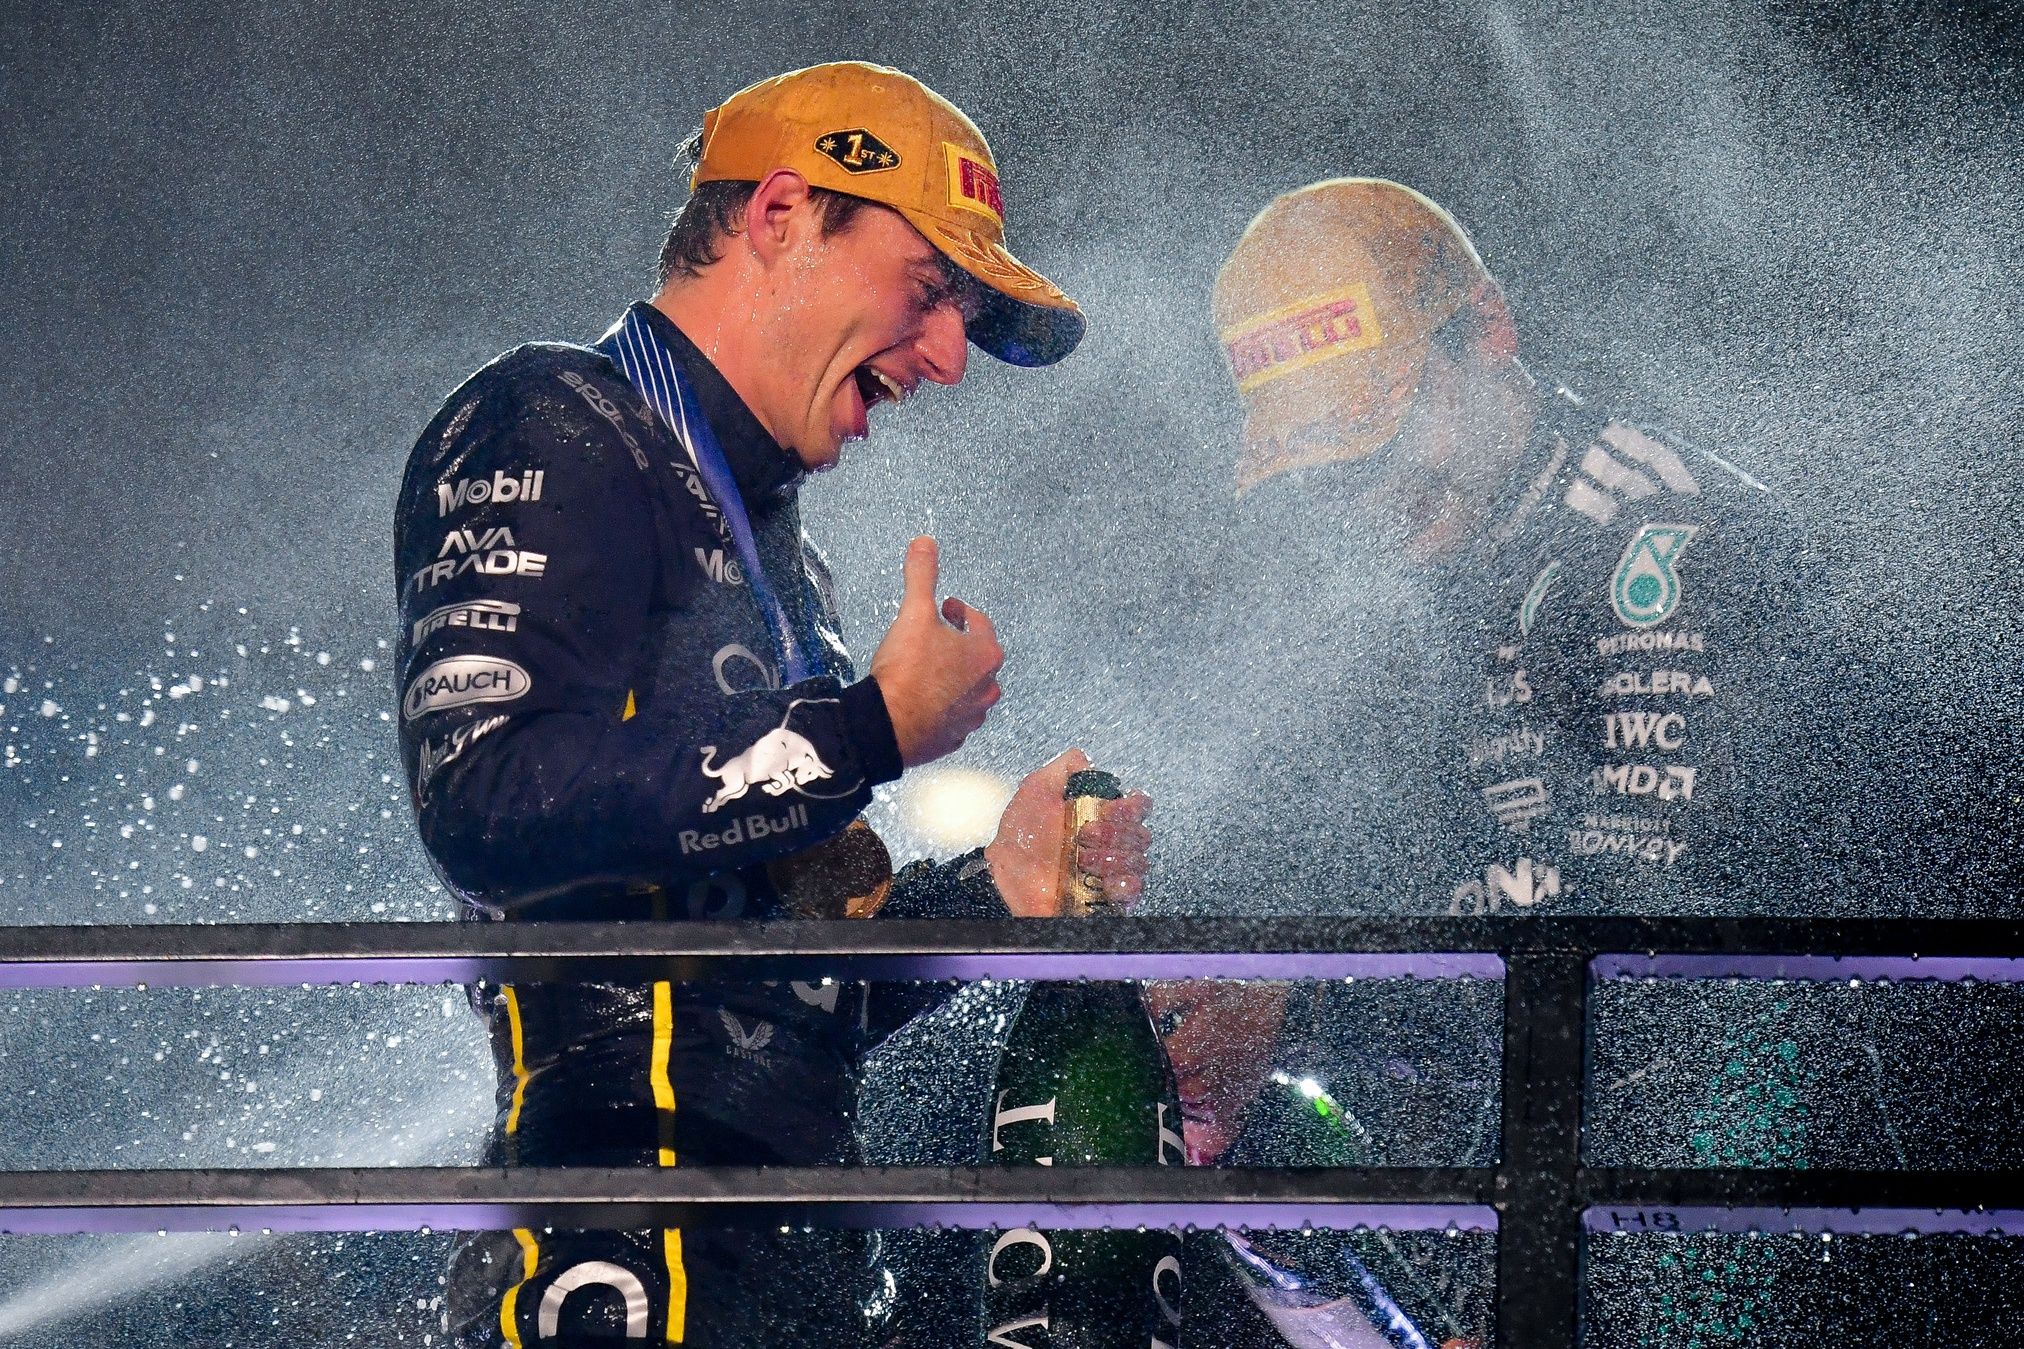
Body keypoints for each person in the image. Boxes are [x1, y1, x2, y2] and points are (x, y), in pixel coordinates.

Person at [393, 62, 1151, 1348]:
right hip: (622, 1249)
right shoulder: (556, 419)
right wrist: (867, 731)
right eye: (929, 293)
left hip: (787, 1252)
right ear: (783, 214)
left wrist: (994, 891)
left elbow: (781, 996)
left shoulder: (781, 560)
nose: (951, 358)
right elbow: (485, 799)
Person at [1151, 177, 1837, 1347]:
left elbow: (1637, 941)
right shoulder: (1382, 579)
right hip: (1511, 1108)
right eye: (1320, 468)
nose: (1362, 497)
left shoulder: (1660, 539)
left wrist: (1301, 997)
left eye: (1373, 434)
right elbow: (1282, 837)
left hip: (1746, 1105)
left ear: (1487, 329)